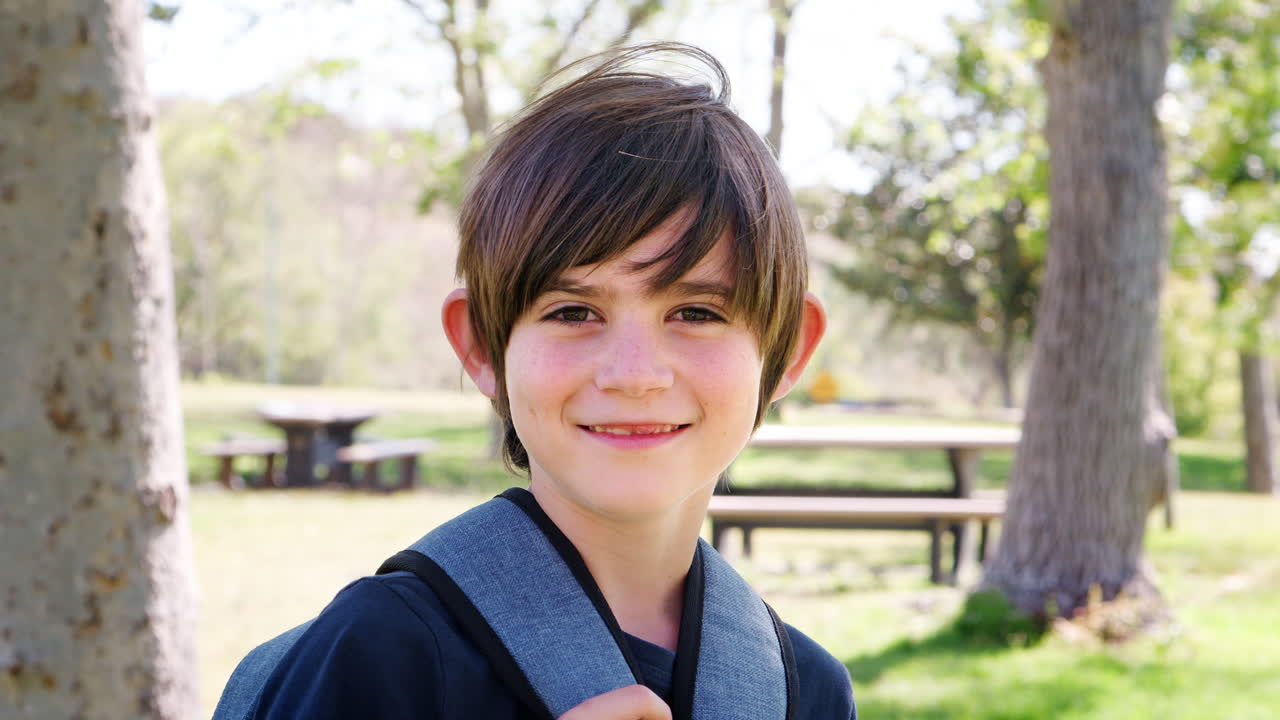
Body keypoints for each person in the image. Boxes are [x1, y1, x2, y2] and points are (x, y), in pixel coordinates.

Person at [240, 42, 855, 719]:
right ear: (482, 345)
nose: (634, 375)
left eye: (695, 312)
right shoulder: (382, 656)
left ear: (788, 351)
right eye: (573, 312)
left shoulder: (808, 693)